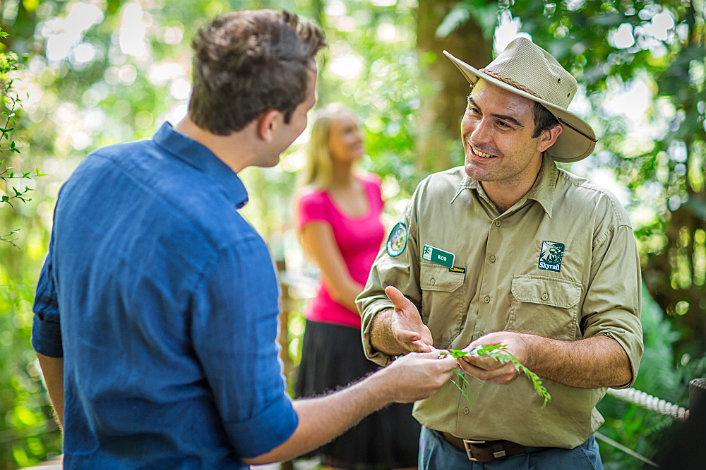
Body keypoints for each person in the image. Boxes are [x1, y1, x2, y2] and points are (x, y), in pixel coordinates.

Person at [30, 10, 458, 469]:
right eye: (307, 112)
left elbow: (49, 333)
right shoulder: (230, 247)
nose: (306, 126)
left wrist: (87, 446)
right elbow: (266, 437)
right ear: (270, 124)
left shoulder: (93, 172)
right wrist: (388, 385)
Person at [356, 37, 644, 470]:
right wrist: (396, 329)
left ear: (547, 135)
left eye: (504, 124)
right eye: (475, 110)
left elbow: (621, 357)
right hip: (438, 453)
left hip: (551, 461)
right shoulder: (430, 197)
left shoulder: (598, 218)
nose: (478, 134)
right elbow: (374, 308)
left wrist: (530, 351)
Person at [295, 104, 420, 470]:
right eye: (346, 131)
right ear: (325, 144)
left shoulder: (372, 186)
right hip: (339, 333)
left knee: (403, 448)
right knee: (345, 456)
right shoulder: (313, 202)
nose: (357, 136)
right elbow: (337, 287)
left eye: (357, 128)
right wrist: (389, 316)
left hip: (377, 325)